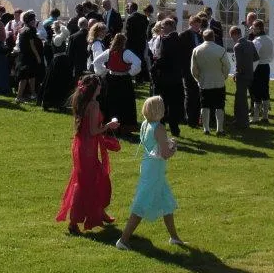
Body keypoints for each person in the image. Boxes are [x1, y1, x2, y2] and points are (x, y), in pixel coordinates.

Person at [56, 75, 122, 234]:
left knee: (93, 178)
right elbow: (93, 131)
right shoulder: (93, 105)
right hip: (87, 148)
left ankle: (98, 211)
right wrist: (108, 125)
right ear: (94, 88)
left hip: (82, 146)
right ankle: (74, 221)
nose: (101, 87)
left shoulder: (82, 101)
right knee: (87, 182)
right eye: (99, 85)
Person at [116, 96, 183, 249]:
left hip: (149, 166)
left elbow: (155, 147)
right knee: (141, 204)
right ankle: (123, 239)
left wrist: (167, 144)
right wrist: (174, 147)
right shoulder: (159, 127)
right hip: (154, 169)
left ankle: (174, 237)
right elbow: (165, 154)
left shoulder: (146, 124)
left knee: (166, 202)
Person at [96, 31, 142, 134]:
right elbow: (138, 62)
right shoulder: (126, 52)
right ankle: (123, 127)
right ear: (124, 42)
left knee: (110, 102)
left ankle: (109, 126)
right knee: (124, 103)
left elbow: (96, 61)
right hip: (123, 80)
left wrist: (103, 71)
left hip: (110, 80)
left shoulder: (108, 52)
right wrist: (131, 72)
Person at [189, 29, 230, 135]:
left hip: (204, 82)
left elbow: (193, 68)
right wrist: (223, 76)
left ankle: (206, 129)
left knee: (205, 105)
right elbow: (227, 66)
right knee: (220, 106)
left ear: (203, 37)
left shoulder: (197, 50)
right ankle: (219, 129)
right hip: (218, 81)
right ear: (214, 37)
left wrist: (198, 79)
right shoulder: (221, 50)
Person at [154, 19, 189, 134]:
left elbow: (162, 59)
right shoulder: (181, 40)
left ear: (169, 27)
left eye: (163, 27)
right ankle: (174, 128)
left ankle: (162, 126)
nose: (162, 29)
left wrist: (154, 66)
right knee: (175, 104)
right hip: (177, 77)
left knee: (164, 103)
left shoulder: (165, 40)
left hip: (165, 77)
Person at [179, 16, 205, 127]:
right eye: (196, 24)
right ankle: (189, 118)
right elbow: (182, 53)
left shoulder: (200, 36)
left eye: (199, 24)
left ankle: (196, 118)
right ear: (191, 23)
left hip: (199, 68)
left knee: (197, 94)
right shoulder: (183, 35)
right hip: (187, 68)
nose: (198, 26)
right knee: (189, 94)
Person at [15, 11, 45, 104]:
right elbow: (32, 46)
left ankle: (33, 94)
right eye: (33, 19)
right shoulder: (31, 30)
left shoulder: (22, 29)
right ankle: (19, 97)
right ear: (30, 20)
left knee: (31, 76)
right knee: (24, 77)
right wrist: (38, 57)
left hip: (23, 55)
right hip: (29, 56)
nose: (35, 21)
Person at [230, 25, 256, 131]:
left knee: (241, 99)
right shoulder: (250, 43)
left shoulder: (237, 46)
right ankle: (241, 120)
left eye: (232, 36)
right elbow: (256, 58)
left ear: (235, 34)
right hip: (250, 74)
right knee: (242, 98)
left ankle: (242, 121)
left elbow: (239, 64)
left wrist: (236, 74)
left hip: (242, 75)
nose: (232, 39)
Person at [249, 20, 273, 122]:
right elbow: (271, 56)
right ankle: (265, 116)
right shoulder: (269, 40)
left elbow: (254, 57)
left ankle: (255, 118)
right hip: (266, 67)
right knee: (265, 90)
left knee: (256, 92)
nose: (252, 30)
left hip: (258, 67)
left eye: (254, 28)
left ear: (259, 29)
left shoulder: (257, 41)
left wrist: (251, 69)